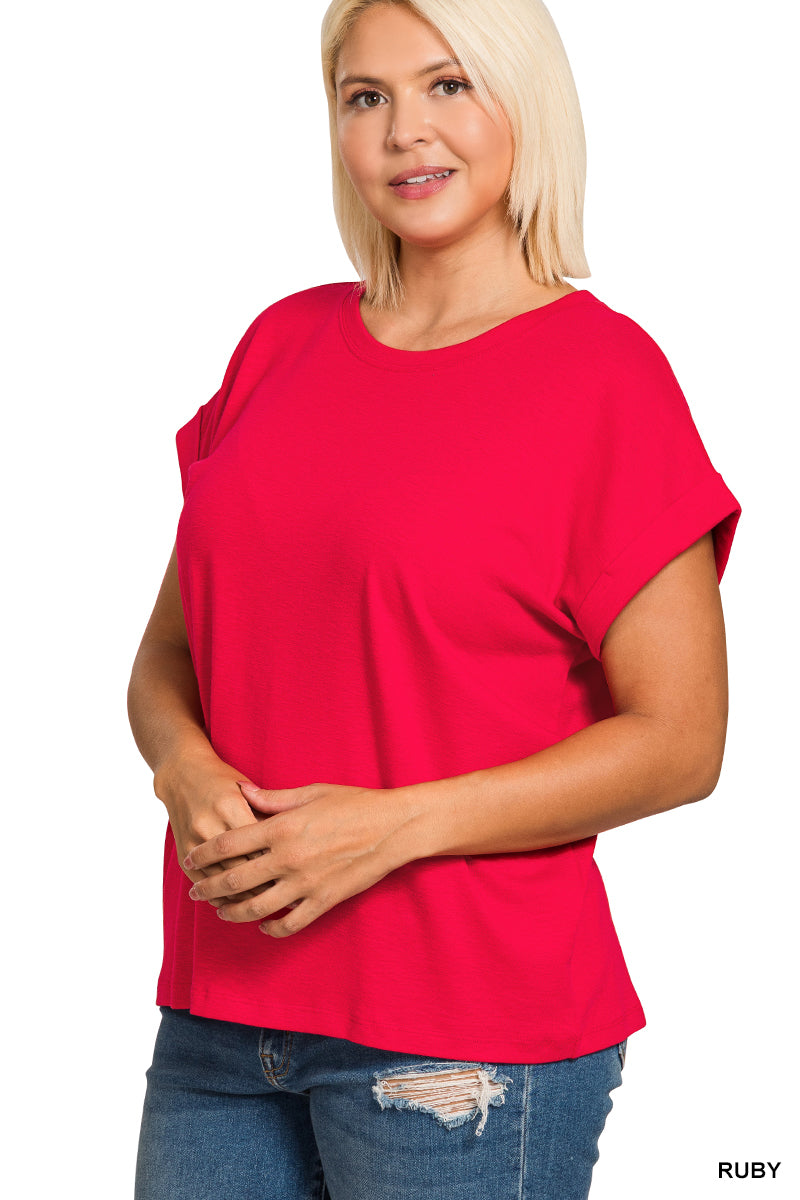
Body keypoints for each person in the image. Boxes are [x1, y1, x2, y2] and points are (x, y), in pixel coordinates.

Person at [128, 1, 742, 1197]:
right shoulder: (280, 345)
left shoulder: (603, 377)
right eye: (366, 97)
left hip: (462, 1035)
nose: (405, 130)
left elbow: (680, 742)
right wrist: (182, 768)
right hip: (220, 1018)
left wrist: (389, 827)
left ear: (524, 102)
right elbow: (167, 659)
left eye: (447, 84)